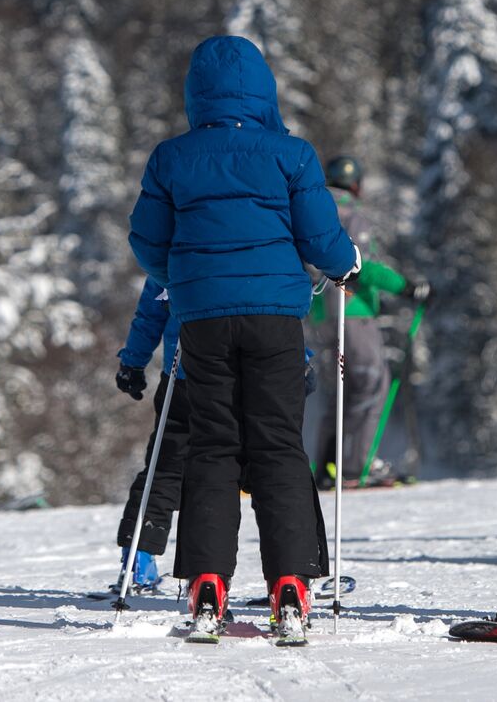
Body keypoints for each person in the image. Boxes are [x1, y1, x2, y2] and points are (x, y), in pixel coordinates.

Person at [128, 35, 359, 638]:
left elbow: (147, 242)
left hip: (202, 319)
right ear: (263, 90)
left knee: (212, 447)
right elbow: (320, 239)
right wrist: (347, 264)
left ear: (194, 93)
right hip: (275, 319)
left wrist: (187, 273)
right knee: (278, 445)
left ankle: (207, 583)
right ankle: (290, 583)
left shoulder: (171, 158)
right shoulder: (291, 154)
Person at [308, 155, 430, 489]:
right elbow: (357, 264)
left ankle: (327, 465)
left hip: (320, 312)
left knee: (340, 391)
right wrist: (405, 286)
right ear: (356, 184)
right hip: (353, 310)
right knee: (372, 383)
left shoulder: (313, 207)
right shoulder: (351, 214)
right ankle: (357, 465)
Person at [112, 277, 187, 591]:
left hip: (183, 372)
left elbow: (153, 304)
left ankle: (137, 561)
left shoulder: (180, 229)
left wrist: (133, 360)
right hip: (251, 371)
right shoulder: (266, 228)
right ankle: (288, 576)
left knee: (166, 467)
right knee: (270, 467)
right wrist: (299, 358)